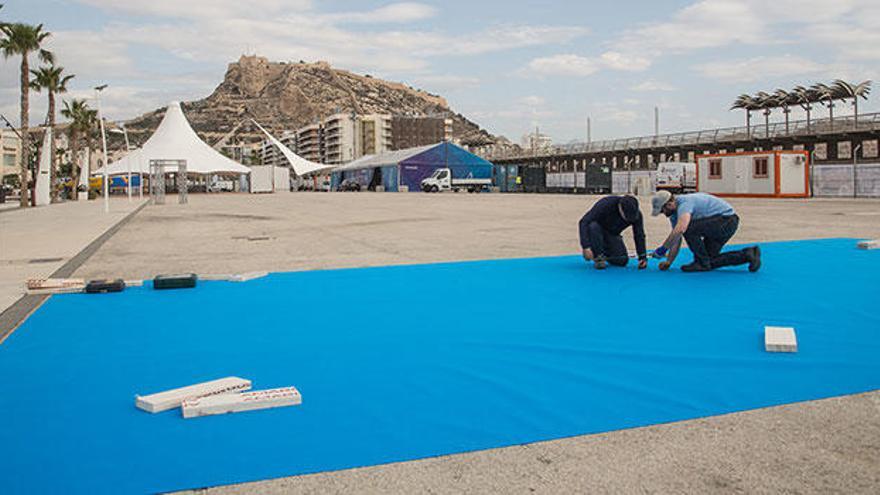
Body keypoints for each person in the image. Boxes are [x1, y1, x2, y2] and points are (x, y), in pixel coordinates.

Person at [650, 190, 761, 272]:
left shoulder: (684, 203)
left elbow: (681, 229)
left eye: (662, 211)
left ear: (669, 204)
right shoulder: (674, 215)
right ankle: (748, 254)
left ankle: (701, 263)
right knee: (709, 261)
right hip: (721, 224)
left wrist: (662, 249)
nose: (663, 214)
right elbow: (676, 238)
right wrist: (669, 262)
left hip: (726, 221)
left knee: (689, 228)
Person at [578, 195, 647, 270]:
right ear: (620, 208)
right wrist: (586, 246)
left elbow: (639, 235)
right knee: (593, 226)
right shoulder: (605, 204)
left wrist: (642, 257)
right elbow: (584, 222)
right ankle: (598, 256)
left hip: (613, 234)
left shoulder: (637, 215)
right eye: (626, 217)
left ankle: (605, 253)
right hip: (596, 231)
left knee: (622, 261)